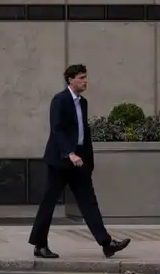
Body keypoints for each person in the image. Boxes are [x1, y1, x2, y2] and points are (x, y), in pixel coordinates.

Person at [28, 64, 131, 258]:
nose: (85, 81)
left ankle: (106, 243)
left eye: (85, 77)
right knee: (49, 203)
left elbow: (83, 132)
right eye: (81, 78)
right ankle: (40, 246)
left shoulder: (83, 102)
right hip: (60, 161)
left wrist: (87, 160)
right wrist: (69, 153)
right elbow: (57, 129)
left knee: (89, 202)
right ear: (71, 80)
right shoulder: (60, 100)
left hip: (80, 161)